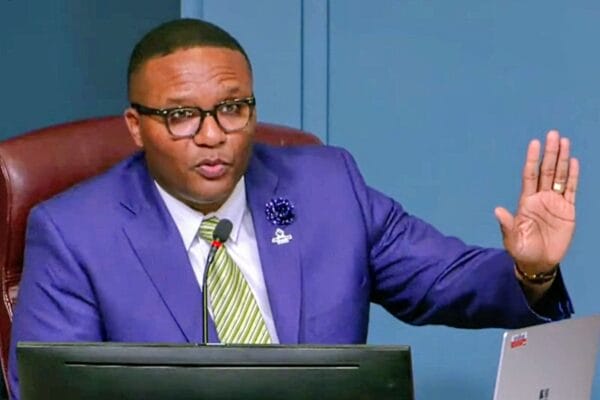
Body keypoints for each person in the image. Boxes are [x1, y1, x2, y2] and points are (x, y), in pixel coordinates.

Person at [8, 18, 577, 398]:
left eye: (232, 108)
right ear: (137, 127)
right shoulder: (74, 233)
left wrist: (532, 270)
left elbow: (444, 281)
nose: (212, 135)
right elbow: (50, 392)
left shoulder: (328, 188)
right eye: (181, 116)